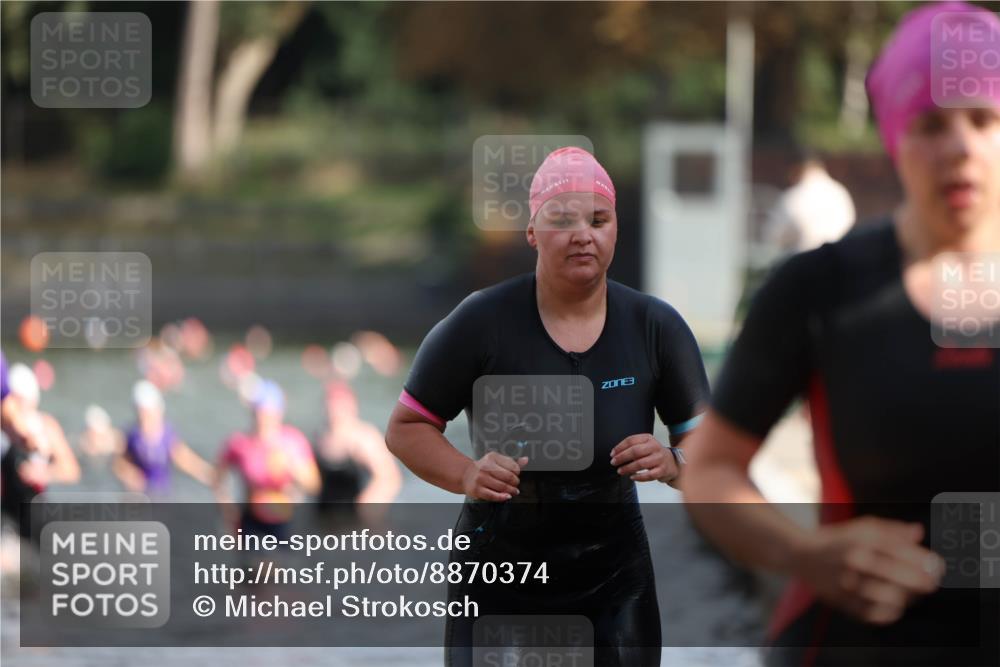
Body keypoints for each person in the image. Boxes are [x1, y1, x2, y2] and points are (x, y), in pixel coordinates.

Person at [682, 4, 999, 666]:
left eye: (984, 118)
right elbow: (708, 469)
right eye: (931, 123)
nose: (961, 147)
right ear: (894, 138)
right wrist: (805, 551)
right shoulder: (823, 288)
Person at [386, 146, 709, 666]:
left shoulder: (655, 328)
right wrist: (467, 474)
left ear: (615, 229)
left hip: (612, 577)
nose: (584, 233)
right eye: (562, 220)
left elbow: (713, 456)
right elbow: (406, 428)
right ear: (532, 233)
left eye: (599, 219)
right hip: (498, 572)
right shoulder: (481, 321)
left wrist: (675, 464)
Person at [214, 379, 320, 539]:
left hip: (286, 519)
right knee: (257, 563)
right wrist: (227, 509)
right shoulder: (240, 443)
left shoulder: (293, 441)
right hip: (251, 520)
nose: (262, 418)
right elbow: (218, 477)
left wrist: (294, 469)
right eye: (258, 412)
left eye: (267, 414)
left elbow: (314, 485)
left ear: (279, 413)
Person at [0, 364, 80, 539]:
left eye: (21, 399)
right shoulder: (3, 425)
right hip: (5, 514)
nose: (17, 405)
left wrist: (44, 473)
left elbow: (72, 470)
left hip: (35, 513)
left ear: (33, 399)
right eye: (12, 399)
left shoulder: (46, 426)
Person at [112, 381, 213, 496]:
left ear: (158, 411)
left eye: (148, 413)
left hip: (162, 494)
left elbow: (185, 460)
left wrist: (209, 475)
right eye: (142, 413)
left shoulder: (166, 435)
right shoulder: (131, 436)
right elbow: (119, 465)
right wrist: (130, 476)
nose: (145, 417)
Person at [315, 381, 402, 508]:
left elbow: (390, 478)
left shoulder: (363, 436)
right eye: (331, 403)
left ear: (352, 405)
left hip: (356, 517)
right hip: (326, 517)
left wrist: (366, 507)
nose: (334, 409)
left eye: (339, 404)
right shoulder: (321, 435)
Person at [763, 147, 856, 254]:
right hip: (838, 262)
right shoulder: (840, 192)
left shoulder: (794, 197)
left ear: (796, 168)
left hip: (802, 261)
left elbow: (774, 235)